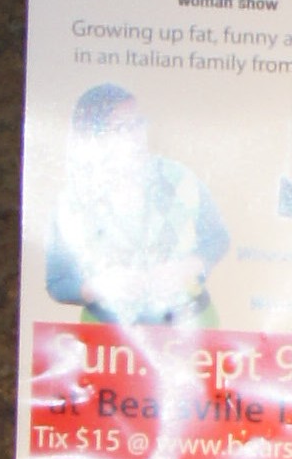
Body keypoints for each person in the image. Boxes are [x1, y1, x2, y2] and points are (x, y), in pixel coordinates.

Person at [43, 86, 228, 330]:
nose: (137, 134)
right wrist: (101, 286)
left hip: (191, 325)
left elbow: (217, 238)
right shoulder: (71, 202)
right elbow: (58, 282)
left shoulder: (181, 179)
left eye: (138, 123)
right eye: (122, 128)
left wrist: (189, 265)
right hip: (106, 331)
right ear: (94, 136)